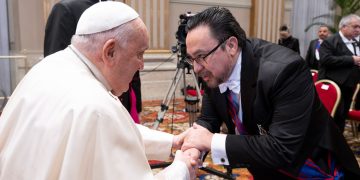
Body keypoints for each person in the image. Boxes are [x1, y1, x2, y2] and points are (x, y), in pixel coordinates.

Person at [0, 2, 200, 179]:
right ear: (110, 51)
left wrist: (172, 141)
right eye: (139, 54)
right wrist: (181, 168)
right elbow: (103, 122)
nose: (142, 65)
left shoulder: (49, 67)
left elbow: (115, 132)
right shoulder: (97, 106)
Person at [181, 7, 360, 179]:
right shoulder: (214, 72)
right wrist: (193, 148)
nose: (196, 68)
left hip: (312, 167)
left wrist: (210, 141)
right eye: (191, 59)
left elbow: (282, 149)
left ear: (231, 46)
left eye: (201, 56)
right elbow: (208, 120)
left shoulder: (286, 70)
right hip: (263, 166)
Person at [44, 0, 142, 124]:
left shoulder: (116, 9)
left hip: (121, 99)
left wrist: (136, 104)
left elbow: (132, 57)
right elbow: (57, 67)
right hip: (85, 109)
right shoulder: (66, 9)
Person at [319, 14, 360, 132]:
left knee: (342, 117)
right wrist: (351, 60)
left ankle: (338, 143)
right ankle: (327, 145)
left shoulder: (355, 42)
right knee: (333, 116)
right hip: (334, 85)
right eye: (355, 26)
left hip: (349, 85)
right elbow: (325, 60)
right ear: (343, 27)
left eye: (359, 27)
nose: (358, 30)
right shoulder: (330, 41)